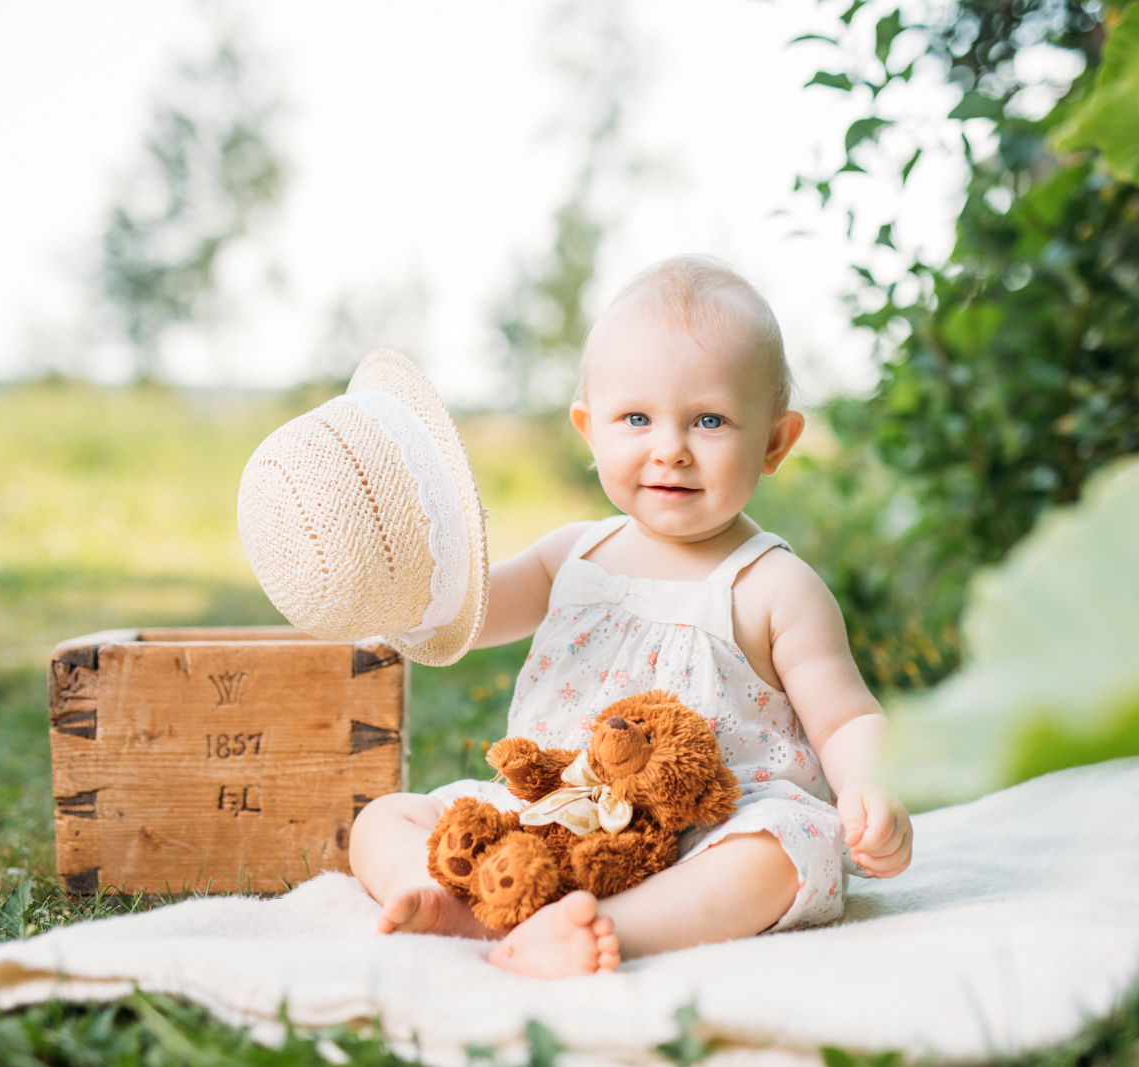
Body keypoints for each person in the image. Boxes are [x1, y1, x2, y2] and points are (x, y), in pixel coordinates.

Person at [349, 254, 913, 978]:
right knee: (384, 817)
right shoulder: (569, 556)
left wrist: (868, 786)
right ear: (591, 430)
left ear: (775, 441)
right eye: (637, 418)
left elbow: (845, 719)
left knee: (789, 846)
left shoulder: (774, 586)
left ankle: (610, 927)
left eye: (709, 420)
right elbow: (467, 615)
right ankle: (438, 897)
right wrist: (404, 585)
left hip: (703, 835)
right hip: (552, 812)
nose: (669, 449)